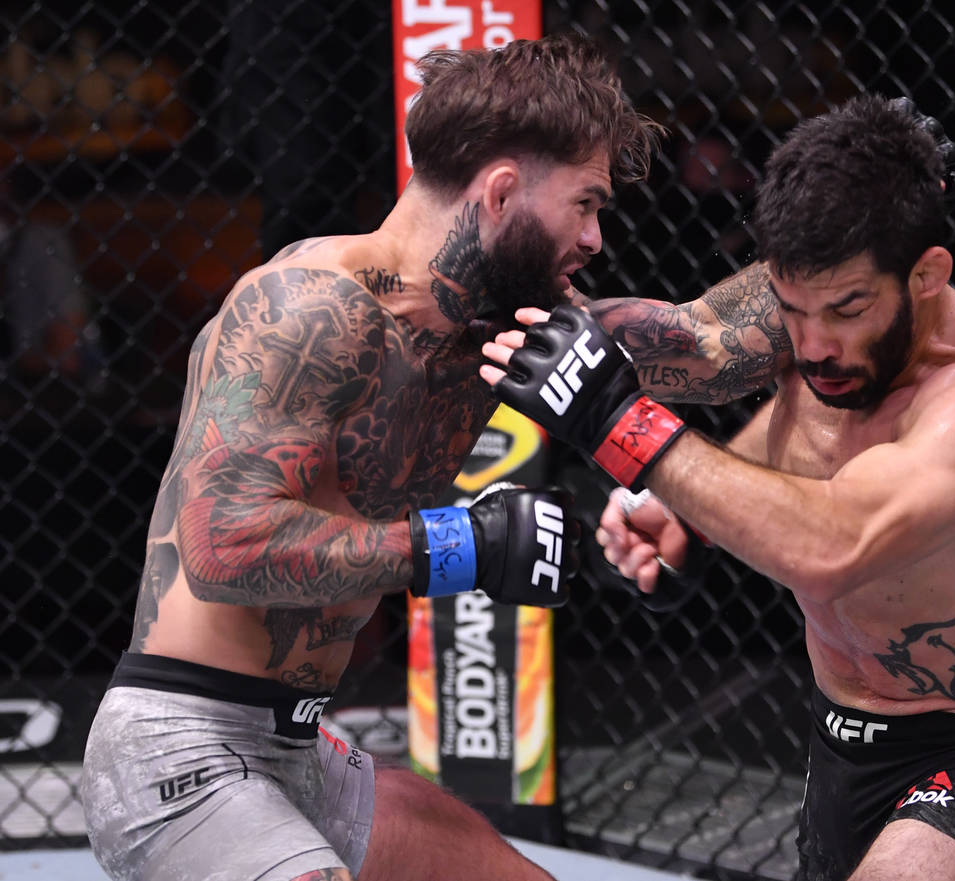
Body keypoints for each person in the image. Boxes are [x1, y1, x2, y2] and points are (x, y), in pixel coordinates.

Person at [79, 33, 663, 881]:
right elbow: (223, 547)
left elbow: (719, 343)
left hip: (302, 755)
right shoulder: (309, 309)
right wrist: (465, 545)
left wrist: (878, 225)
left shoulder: (499, 334)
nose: (596, 238)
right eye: (585, 203)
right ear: (501, 192)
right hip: (180, 751)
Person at [480, 94, 955, 881]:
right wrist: (689, 513)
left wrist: (619, 423)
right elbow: (704, 351)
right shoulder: (815, 307)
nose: (813, 344)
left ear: (928, 274)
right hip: (841, 742)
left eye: (847, 309)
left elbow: (836, 544)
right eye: (792, 309)